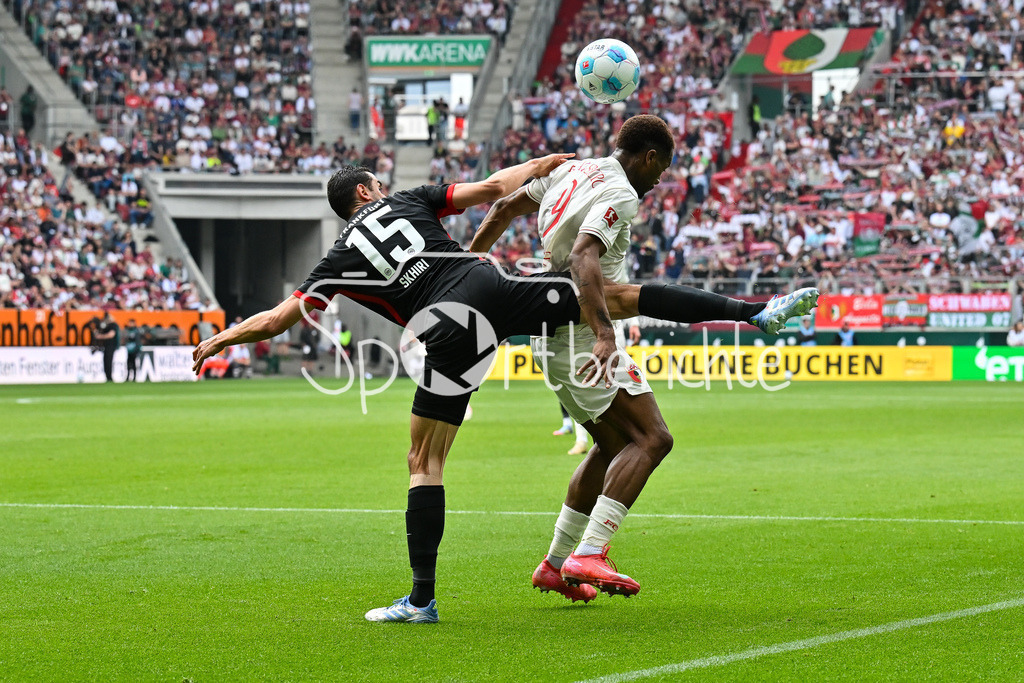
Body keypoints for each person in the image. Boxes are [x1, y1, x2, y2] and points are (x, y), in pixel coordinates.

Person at [192, 155, 815, 623]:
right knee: (615, 297)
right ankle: (755, 309)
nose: (381, 186)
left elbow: (280, 318)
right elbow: (494, 189)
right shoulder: (409, 201)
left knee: (424, 461)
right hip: (488, 285)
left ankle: (421, 600)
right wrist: (551, 165)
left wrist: (223, 338)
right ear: (364, 191)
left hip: (446, 328)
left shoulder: (335, 260)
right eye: (375, 183)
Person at [470, 115, 818, 602]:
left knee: (613, 446)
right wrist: (604, 333)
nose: (660, 181)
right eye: (663, 168)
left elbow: (504, 207)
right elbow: (584, 257)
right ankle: (590, 552)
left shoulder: (574, 170)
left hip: (548, 333)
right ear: (649, 156)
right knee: (654, 438)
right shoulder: (621, 193)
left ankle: (553, 566)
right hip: (579, 332)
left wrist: (466, 273)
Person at [93, 312, 120, 382]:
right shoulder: (106, 326)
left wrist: (100, 337)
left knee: (108, 361)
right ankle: (108, 377)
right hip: (106, 346)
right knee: (106, 361)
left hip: (111, 346)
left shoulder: (113, 325)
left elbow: (111, 335)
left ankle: (109, 377)